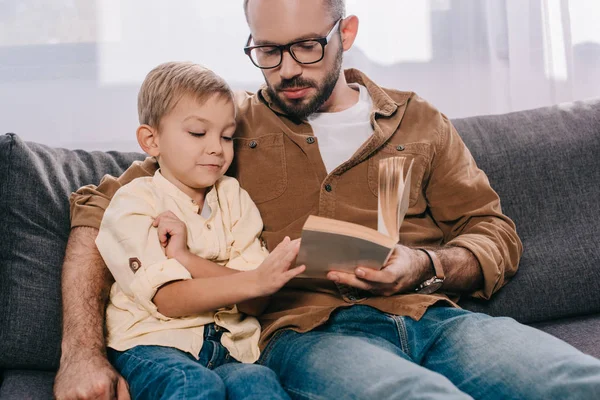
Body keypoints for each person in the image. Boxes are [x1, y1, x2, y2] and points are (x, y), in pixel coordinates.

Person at [54, 0, 600, 399]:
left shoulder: (418, 121)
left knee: (579, 382)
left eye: (308, 46)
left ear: (347, 31)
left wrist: (424, 265)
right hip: (310, 332)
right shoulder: (225, 128)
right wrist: (80, 355)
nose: (288, 68)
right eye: (268, 51)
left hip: (437, 318)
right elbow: (97, 211)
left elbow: (494, 233)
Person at [84, 61, 301, 399]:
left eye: (227, 136)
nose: (217, 147)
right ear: (151, 140)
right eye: (198, 133)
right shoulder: (135, 201)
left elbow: (255, 302)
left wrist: (185, 258)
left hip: (231, 348)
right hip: (151, 344)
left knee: (259, 385)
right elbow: (168, 299)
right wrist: (251, 282)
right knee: (195, 386)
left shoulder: (235, 198)